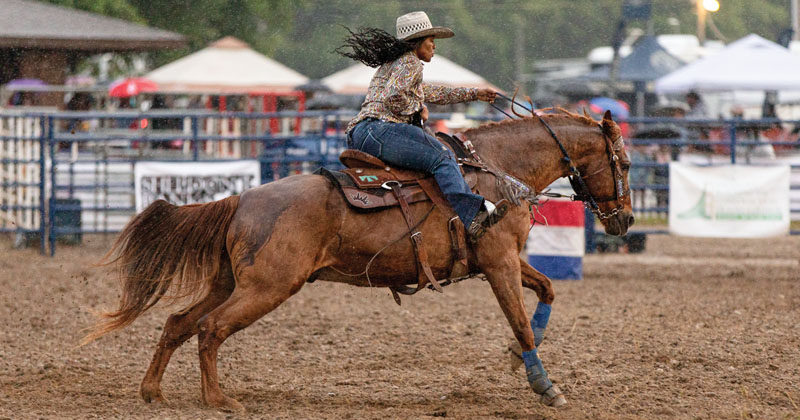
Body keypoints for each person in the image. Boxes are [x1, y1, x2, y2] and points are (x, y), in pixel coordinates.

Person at [338, 11, 501, 240]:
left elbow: (433, 92)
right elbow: (392, 96)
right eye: (431, 40)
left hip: (363, 133)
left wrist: (474, 93)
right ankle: (473, 214)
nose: (434, 46)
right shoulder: (410, 62)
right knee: (442, 156)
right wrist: (417, 110)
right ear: (418, 42)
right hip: (380, 129)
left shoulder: (396, 64)